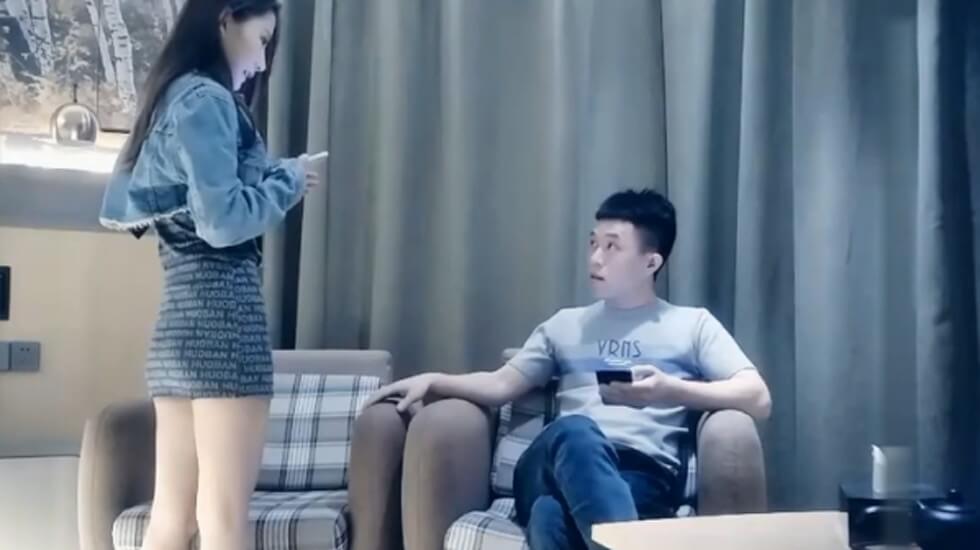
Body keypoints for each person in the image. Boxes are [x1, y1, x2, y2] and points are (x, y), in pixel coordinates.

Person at [366, 189, 771, 550]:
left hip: (643, 478)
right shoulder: (566, 325)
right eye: (593, 243)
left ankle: (617, 536)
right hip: (551, 465)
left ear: (651, 262)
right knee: (576, 432)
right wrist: (434, 380)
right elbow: (500, 384)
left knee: (548, 517)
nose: (595, 258)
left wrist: (670, 391)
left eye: (612, 247)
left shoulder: (691, 325)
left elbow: (757, 397)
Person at [98, 1, 322, 549]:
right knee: (223, 518)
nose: (263, 61)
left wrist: (276, 174)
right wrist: (290, 181)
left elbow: (202, 203)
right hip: (224, 322)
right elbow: (222, 223)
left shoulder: (170, 98)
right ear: (225, 19)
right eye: (262, 40)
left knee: (172, 518)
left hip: (176, 334)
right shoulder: (209, 100)